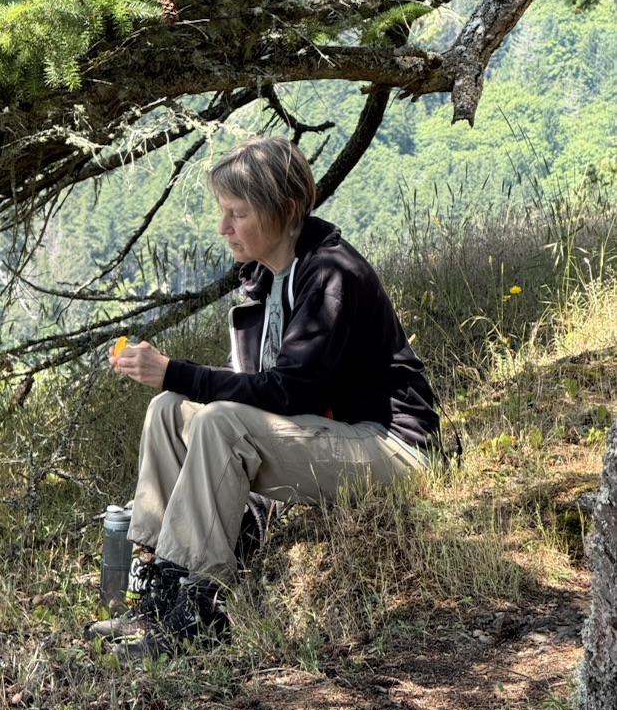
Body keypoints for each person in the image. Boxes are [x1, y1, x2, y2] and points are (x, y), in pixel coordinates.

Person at [88, 137, 440, 659]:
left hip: (389, 445)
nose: (223, 227)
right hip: (327, 435)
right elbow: (253, 382)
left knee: (218, 421)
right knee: (167, 410)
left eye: (238, 213)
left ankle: (200, 611)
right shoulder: (267, 276)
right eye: (223, 212)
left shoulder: (329, 275)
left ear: (283, 209)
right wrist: (171, 382)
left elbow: (288, 390)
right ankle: (160, 593)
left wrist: (174, 370)